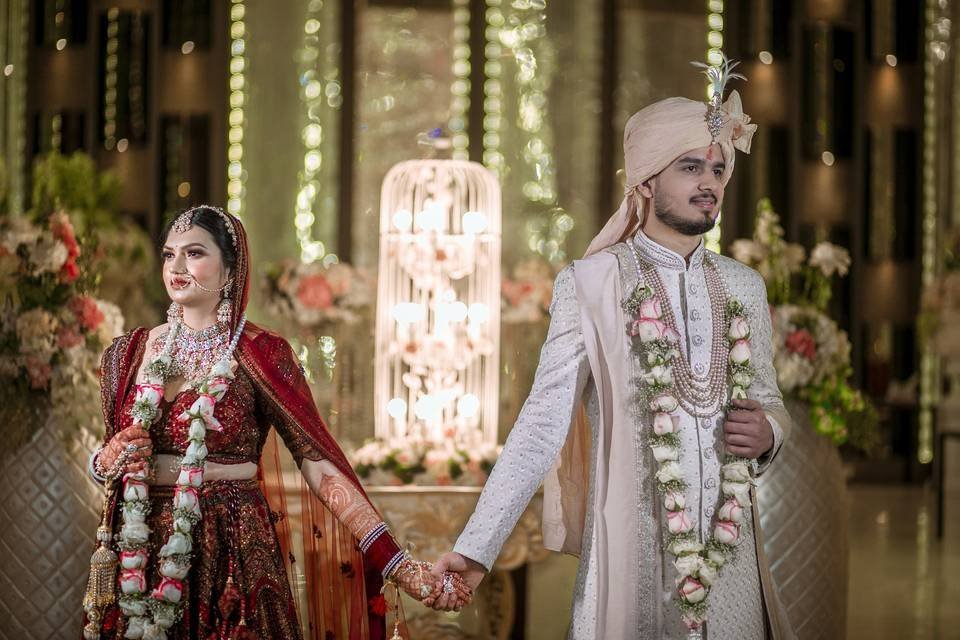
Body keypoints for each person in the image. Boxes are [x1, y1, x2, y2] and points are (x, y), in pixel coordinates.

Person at [427, 60, 796, 639]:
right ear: (645, 180)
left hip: (730, 560)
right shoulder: (592, 284)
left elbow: (770, 402)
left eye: (719, 169)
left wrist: (770, 432)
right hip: (632, 550)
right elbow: (541, 425)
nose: (709, 183)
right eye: (690, 167)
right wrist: (477, 549)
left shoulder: (744, 286)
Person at [82, 206, 471, 640]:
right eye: (169, 254)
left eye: (194, 253)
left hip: (229, 551)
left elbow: (319, 466)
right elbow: (105, 461)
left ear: (231, 269)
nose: (176, 267)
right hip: (139, 551)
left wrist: (397, 564)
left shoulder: (261, 354)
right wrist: (106, 460)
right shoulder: (127, 354)